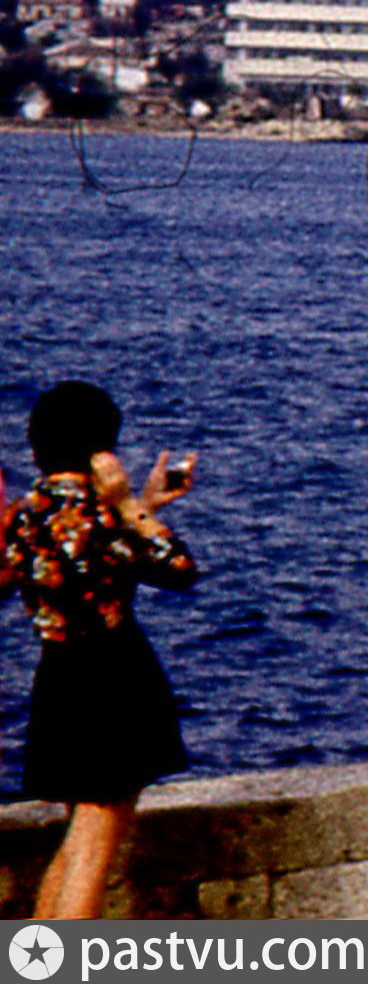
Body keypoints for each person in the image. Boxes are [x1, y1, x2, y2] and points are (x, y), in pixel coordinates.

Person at [6, 382, 201, 921]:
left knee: (75, 844)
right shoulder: (108, 516)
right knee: (93, 849)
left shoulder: (23, 518)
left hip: (57, 682)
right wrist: (130, 506)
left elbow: (66, 558)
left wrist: (141, 504)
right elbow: (179, 569)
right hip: (117, 683)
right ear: (102, 451)